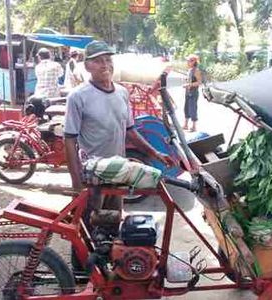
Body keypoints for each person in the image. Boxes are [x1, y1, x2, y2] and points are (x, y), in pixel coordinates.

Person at [64, 40, 174, 270]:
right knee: (86, 227)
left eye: (108, 59)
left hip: (117, 173)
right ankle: (81, 277)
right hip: (92, 176)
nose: (105, 64)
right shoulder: (78, 97)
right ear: (87, 67)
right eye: (98, 61)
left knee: (112, 224)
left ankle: (106, 274)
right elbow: (69, 139)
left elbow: (130, 131)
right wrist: (77, 184)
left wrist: (155, 153)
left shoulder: (122, 93)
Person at [183, 54, 202, 132]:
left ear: (194, 62)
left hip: (193, 92)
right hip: (188, 92)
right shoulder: (190, 70)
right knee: (186, 108)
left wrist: (189, 84)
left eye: (189, 61)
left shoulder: (196, 71)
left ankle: (194, 126)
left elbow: (199, 82)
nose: (187, 62)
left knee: (193, 109)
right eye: (187, 61)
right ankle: (186, 125)